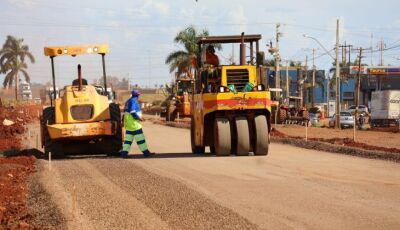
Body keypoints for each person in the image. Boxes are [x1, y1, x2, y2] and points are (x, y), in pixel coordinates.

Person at [120, 90, 153, 158]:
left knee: (128, 141)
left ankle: (124, 154)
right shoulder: (133, 101)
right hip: (134, 124)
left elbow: (125, 113)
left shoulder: (128, 101)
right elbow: (132, 112)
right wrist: (139, 118)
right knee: (140, 139)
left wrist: (123, 121)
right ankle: (146, 153)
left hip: (129, 124)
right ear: (138, 95)